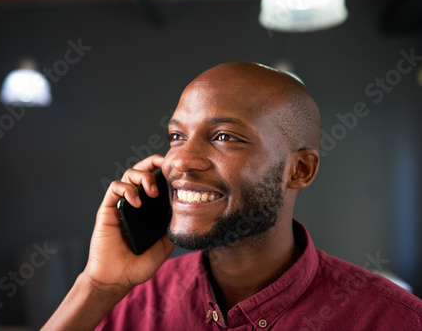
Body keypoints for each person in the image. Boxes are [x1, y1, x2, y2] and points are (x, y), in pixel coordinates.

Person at [42, 62, 422, 330]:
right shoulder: (132, 302)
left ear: (300, 170)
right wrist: (97, 287)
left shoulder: (394, 319)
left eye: (224, 137)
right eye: (177, 136)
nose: (180, 162)